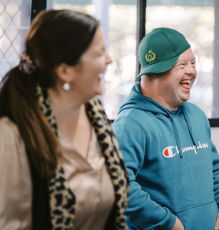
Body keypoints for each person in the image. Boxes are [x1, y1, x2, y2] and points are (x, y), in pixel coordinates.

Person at [0, 10, 129, 230]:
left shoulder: (97, 118)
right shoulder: (12, 135)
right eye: (99, 54)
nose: (108, 60)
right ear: (65, 71)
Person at [113, 27, 219, 230]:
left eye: (193, 63)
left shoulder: (197, 116)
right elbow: (119, 187)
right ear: (154, 72)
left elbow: (214, 170)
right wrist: (168, 222)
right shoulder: (130, 124)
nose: (191, 71)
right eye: (182, 65)